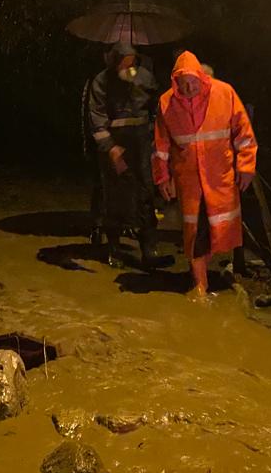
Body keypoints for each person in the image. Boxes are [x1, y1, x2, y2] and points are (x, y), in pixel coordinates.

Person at [152, 51, 257, 298]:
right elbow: (161, 145)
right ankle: (200, 284)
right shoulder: (166, 103)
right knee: (194, 231)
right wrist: (162, 177)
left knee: (216, 230)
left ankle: (205, 277)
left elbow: (244, 133)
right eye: (183, 83)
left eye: (192, 82)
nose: (188, 88)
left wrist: (246, 167)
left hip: (219, 177)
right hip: (189, 180)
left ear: (201, 78)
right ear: (175, 82)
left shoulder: (224, 93)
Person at [87, 40, 160, 266]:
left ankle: (148, 249)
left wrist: (155, 139)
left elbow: (156, 107)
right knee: (115, 196)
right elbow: (97, 118)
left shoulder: (144, 77)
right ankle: (114, 248)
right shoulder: (101, 82)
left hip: (141, 141)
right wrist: (111, 148)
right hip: (116, 143)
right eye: (124, 62)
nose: (128, 67)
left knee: (146, 193)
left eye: (132, 62)